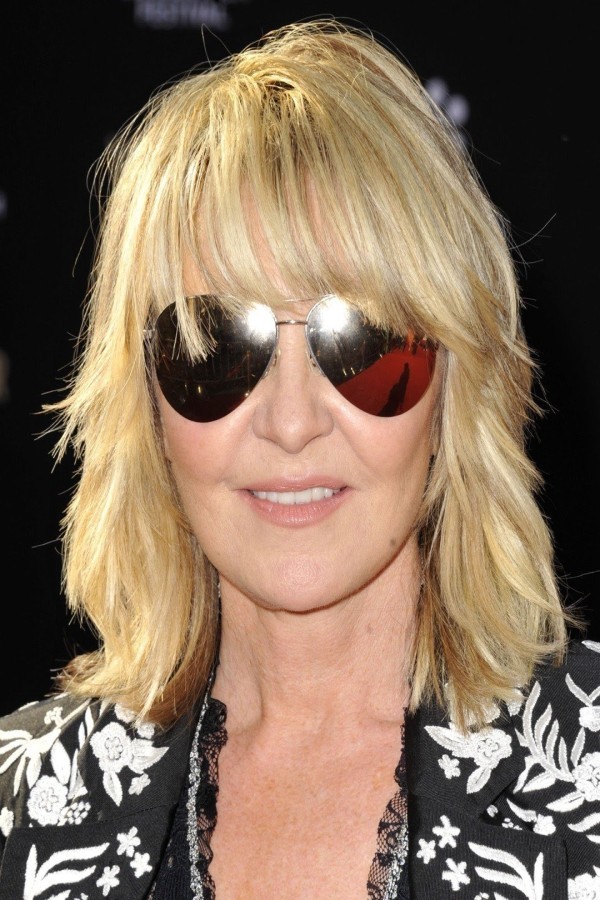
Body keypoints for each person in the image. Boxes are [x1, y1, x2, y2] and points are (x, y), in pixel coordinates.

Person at [0, 17, 598, 899]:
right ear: (145, 403)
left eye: (360, 340)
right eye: (214, 345)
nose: (289, 423)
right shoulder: (22, 805)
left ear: (456, 383)